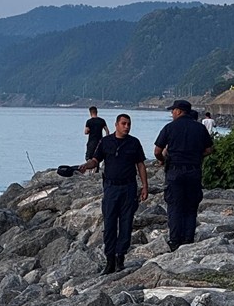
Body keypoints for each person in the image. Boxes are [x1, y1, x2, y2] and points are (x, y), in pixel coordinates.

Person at [78, 113, 149, 274]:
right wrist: (86, 165)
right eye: (123, 123)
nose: (126, 126)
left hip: (129, 187)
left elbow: (140, 165)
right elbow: (96, 160)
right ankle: (109, 259)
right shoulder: (106, 141)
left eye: (129, 124)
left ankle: (120, 258)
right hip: (111, 188)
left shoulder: (134, 143)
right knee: (109, 223)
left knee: (126, 223)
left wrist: (145, 186)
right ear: (116, 124)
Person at [153, 99, 214, 251]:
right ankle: (188, 238)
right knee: (191, 205)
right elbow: (209, 149)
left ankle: (175, 240)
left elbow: (157, 151)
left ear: (179, 111)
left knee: (174, 205)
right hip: (193, 170)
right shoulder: (199, 128)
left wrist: (163, 160)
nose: (172, 113)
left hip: (175, 171)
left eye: (173, 110)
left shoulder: (170, 127)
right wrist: (197, 156)